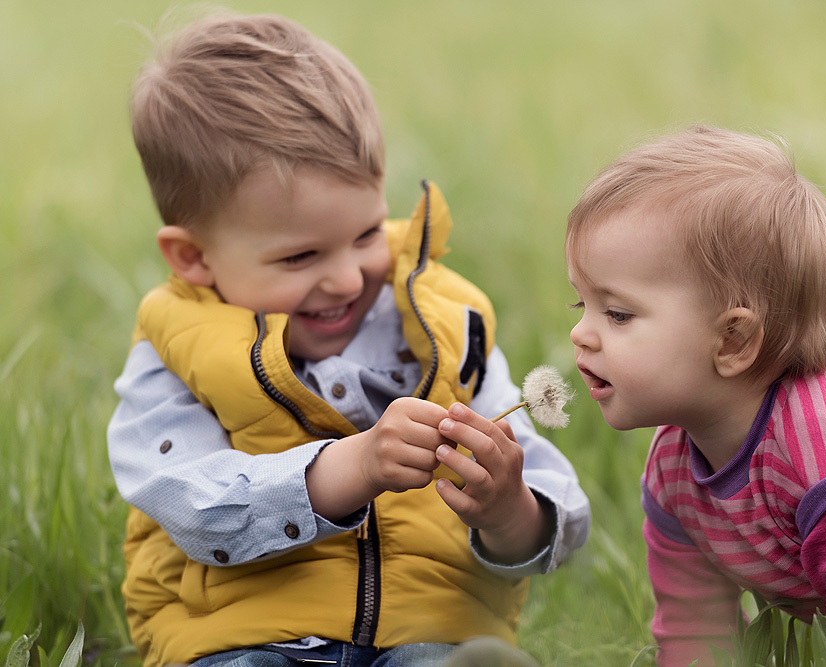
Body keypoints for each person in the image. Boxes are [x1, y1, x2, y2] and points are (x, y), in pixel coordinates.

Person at [107, 11, 589, 667]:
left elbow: (553, 525)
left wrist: (509, 508)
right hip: (243, 635)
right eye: (300, 257)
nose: (345, 277)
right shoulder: (174, 351)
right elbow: (193, 506)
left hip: (429, 626)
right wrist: (353, 466)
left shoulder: (440, 327)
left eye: (366, 235)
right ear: (193, 257)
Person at [564, 125, 826, 665]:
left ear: (733, 339)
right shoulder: (673, 472)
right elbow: (696, 638)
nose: (581, 334)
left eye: (618, 313)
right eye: (577, 305)